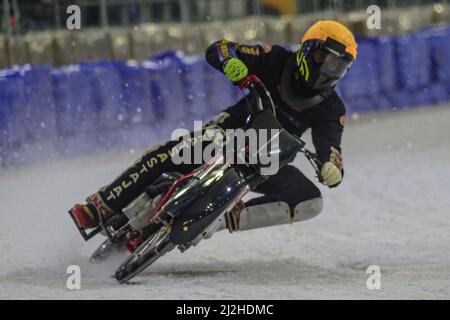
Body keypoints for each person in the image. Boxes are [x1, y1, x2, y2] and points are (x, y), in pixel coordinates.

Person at [70, 20, 357, 235]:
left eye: (337, 66)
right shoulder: (274, 59)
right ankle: (101, 205)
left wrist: (331, 169)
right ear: (308, 50)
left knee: (310, 202)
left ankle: (220, 219)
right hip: (228, 134)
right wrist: (232, 63)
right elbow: (220, 48)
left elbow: (330, 150)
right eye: (325, 59)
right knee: (176, 150)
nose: (328, 70)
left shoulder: (332, 109)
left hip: (266, 165)